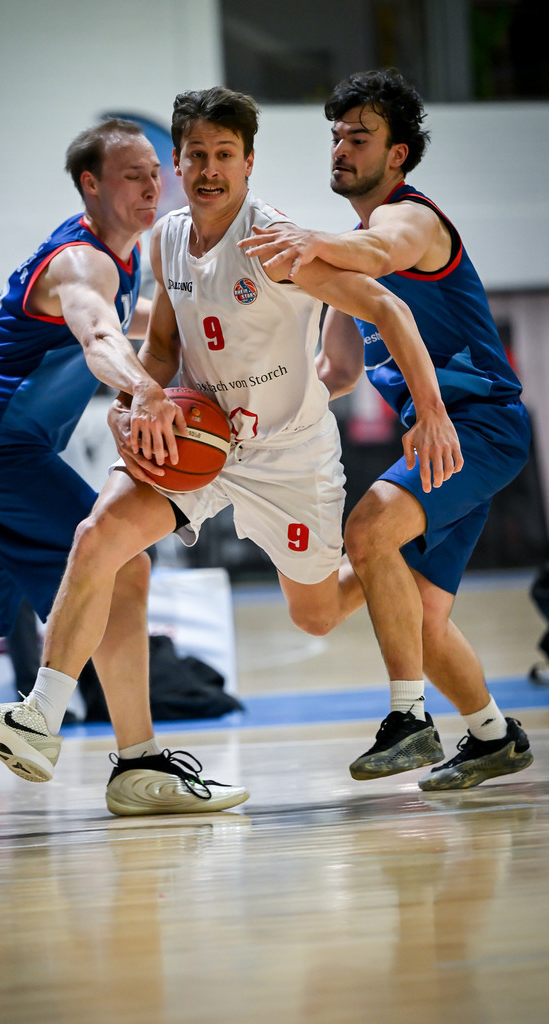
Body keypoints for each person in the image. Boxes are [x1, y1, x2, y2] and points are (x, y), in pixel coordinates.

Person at [0, 85, 463, 815]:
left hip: (288, 457)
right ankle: (38, 719)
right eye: (196, 156)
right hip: (200, 439)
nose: (210, 168)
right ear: (178, 164)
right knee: (99, 538)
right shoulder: (165, 240)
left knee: (313, 615)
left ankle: (399, 570)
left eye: (225, 155)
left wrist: (431, 414)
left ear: (248, 164)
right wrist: (132, 404)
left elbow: (388, 306)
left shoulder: (274, 242)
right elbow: (159, 347)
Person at [0, 118, 248, 815]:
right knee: (122, 559)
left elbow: (125, 325)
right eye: (133, 175)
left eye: (155, 173)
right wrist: (142, 389)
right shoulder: (82, 263)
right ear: (90, 184)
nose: (151, 185)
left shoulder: (122, 259)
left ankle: (127, 758)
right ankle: (138, 762)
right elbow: (98, 333)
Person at [240, 68, 534, 790]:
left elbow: (378, 252)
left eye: (358, 137)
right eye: (335, 135)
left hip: (477, 428)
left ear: (396, 154)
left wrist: (312, 239)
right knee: (408, 617)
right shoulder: (349, 256)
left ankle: (408, 720)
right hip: (438, 442)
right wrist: (259, 412)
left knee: (369, 528)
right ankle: (494, 737)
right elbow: (335, 372)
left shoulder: (410, 221)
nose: (340, 148)